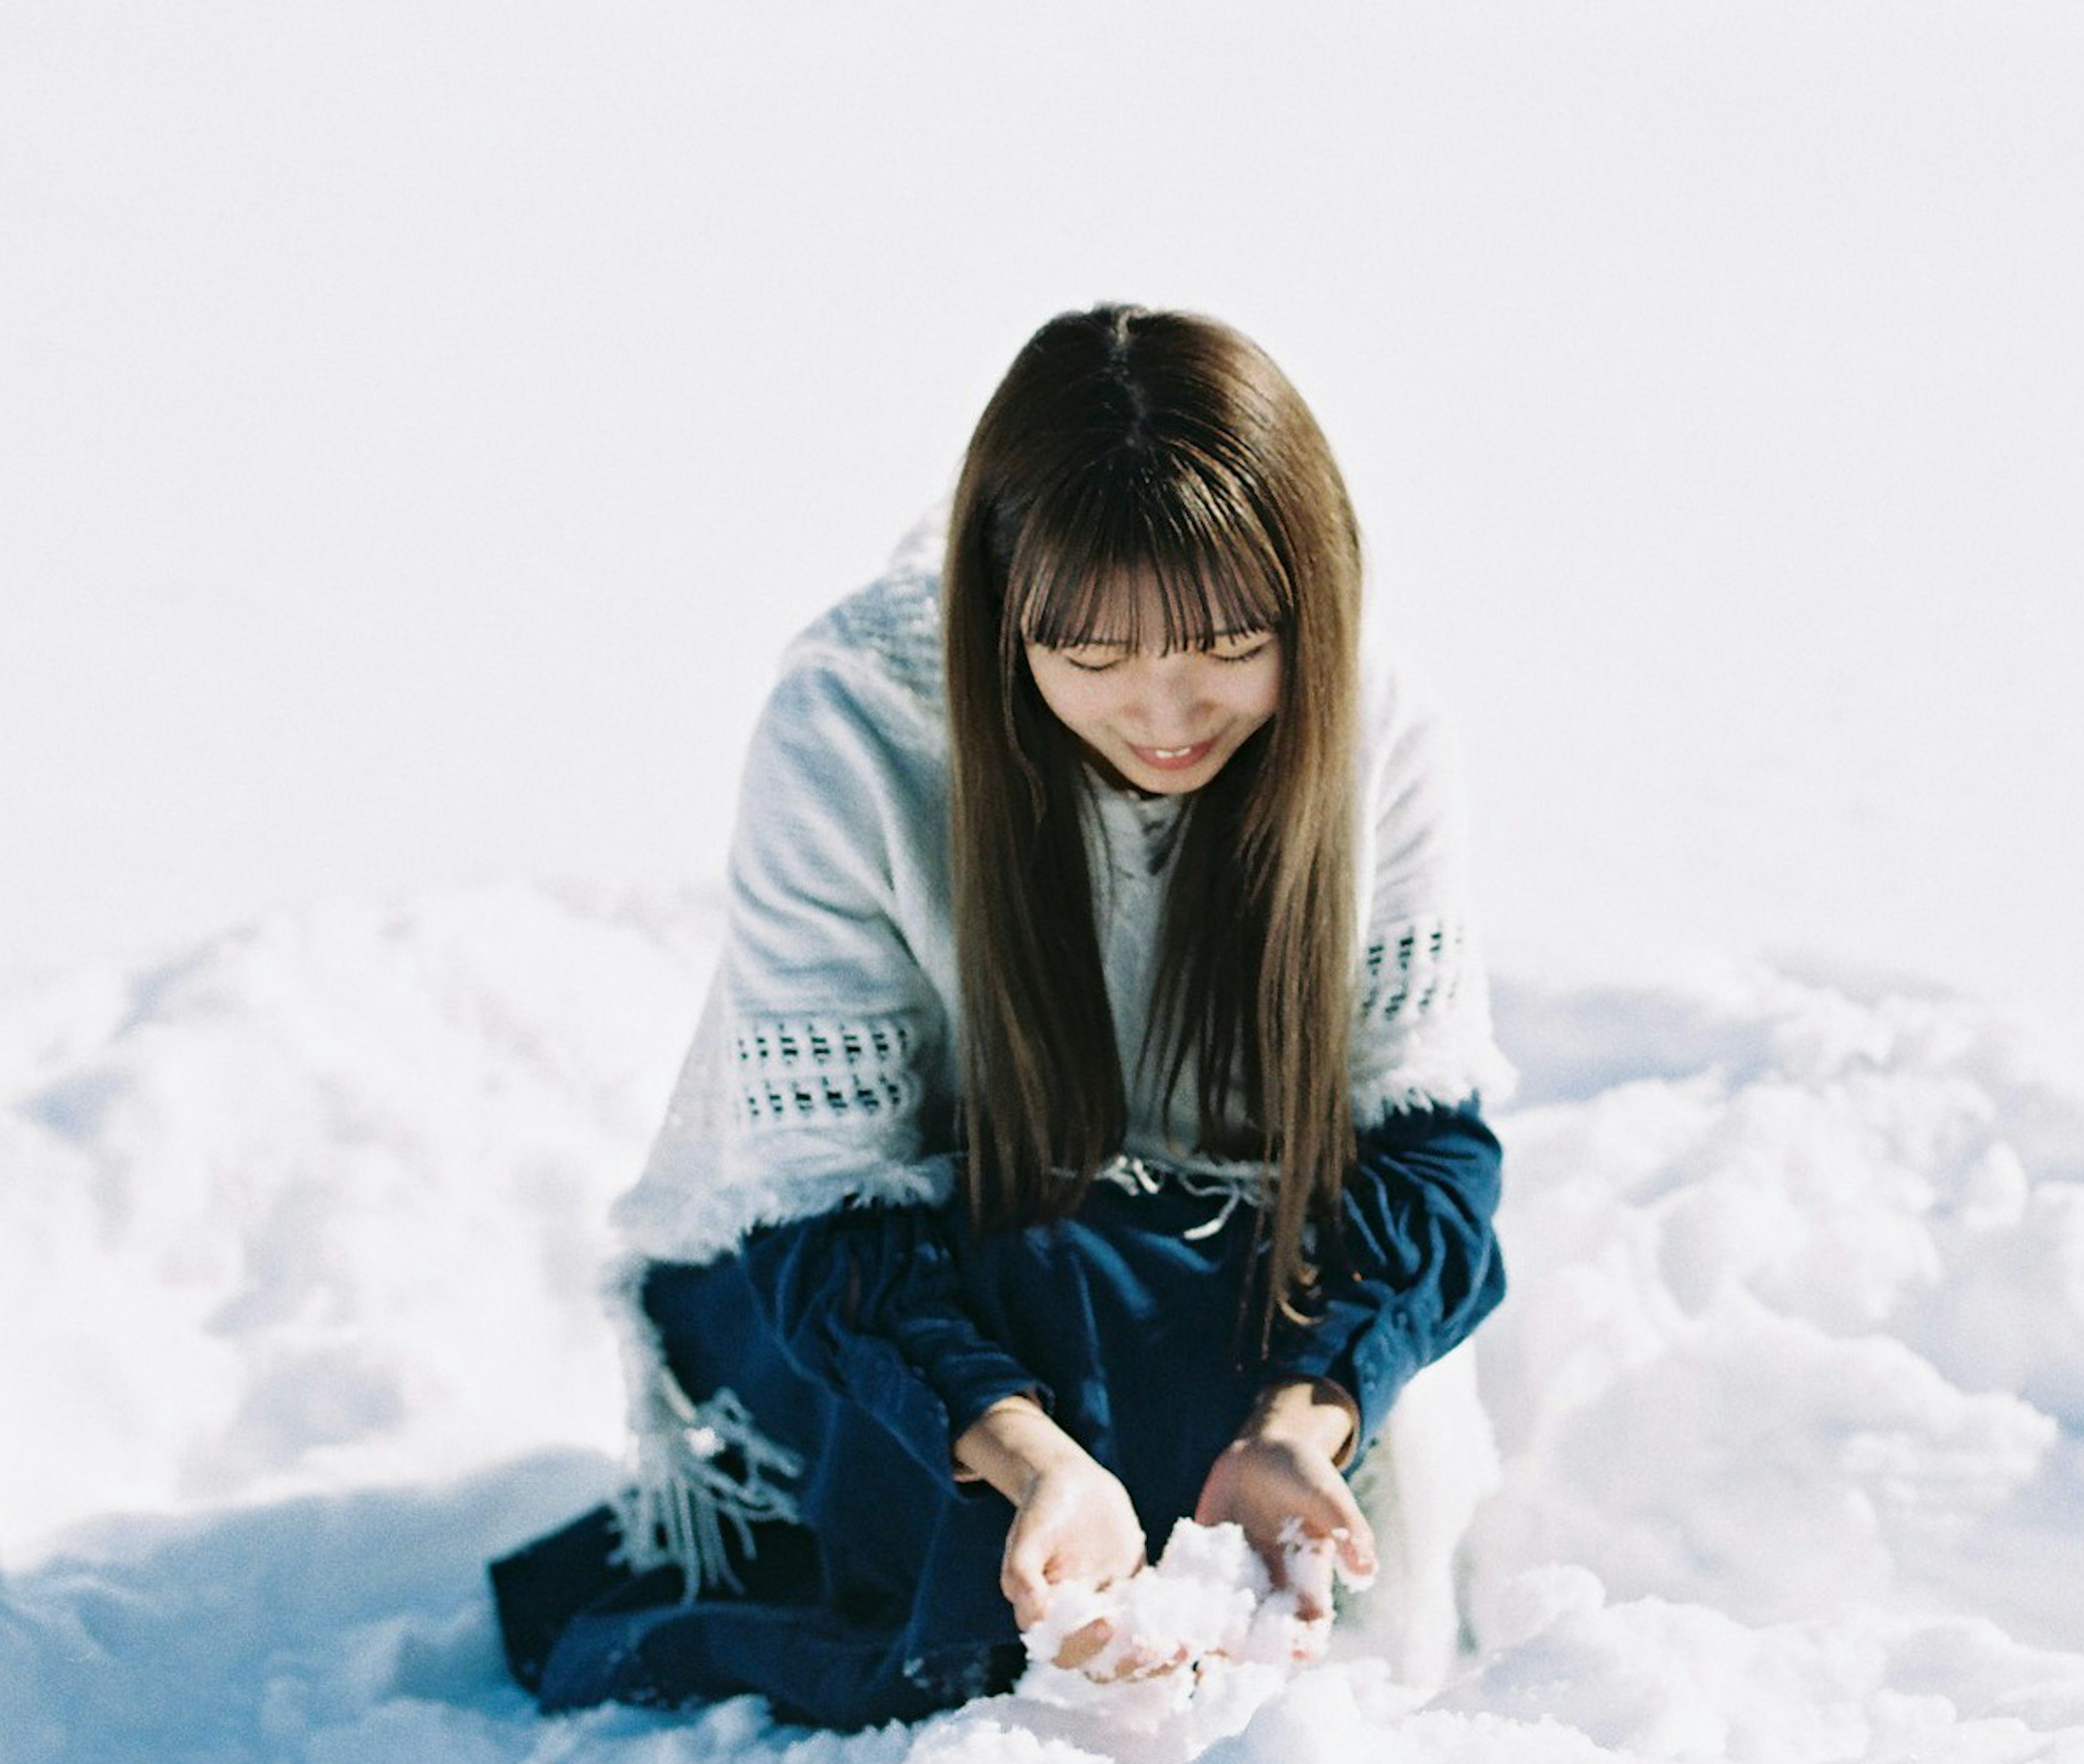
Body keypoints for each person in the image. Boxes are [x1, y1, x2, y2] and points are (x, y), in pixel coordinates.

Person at [489, 303, 1512, 1730]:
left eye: (1227, 642)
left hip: (1231, 1272)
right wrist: (1031, 1457)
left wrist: (1302, 1411)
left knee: (1181, 1355)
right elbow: (824, 1208)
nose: (1164, 711)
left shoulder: (1376, 730)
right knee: (1067, 1318)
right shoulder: (857, 723)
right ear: (1000, 615)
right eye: (1089, 654)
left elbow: (1429, 1150)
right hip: (866, 1286)